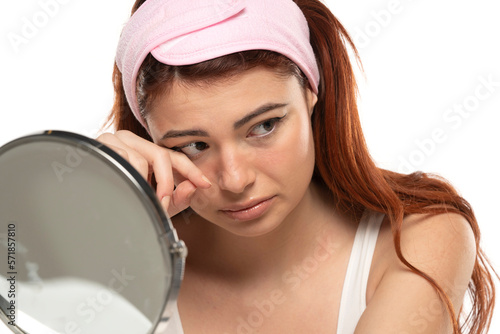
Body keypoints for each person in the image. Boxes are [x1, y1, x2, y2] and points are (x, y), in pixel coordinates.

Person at [100, 0, 497, 333]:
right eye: (193, 145)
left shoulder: (417, 239)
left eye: (264, 126)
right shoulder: (120, 263)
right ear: (151, 141)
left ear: (311, 92)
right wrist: (84, 227)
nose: (236, 179)